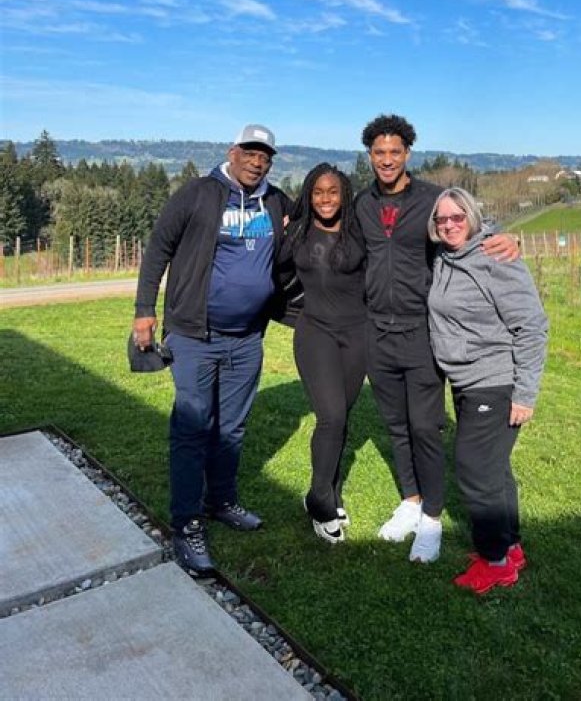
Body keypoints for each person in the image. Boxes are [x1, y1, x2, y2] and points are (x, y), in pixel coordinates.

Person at [354, 114, 518, 564]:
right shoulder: (362, 204)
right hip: (377, 333)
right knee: (396, 425)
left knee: (425, 427)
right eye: (378, 152)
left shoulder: (428, 199)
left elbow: (465, 228)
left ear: (408, 153)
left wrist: (507, 238)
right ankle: (410, 501)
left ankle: (431, 518)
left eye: (395, 152)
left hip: (422, 333)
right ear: (370, 155)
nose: (386, 160)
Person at [132, 124, 293, 574]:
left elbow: (321, 225)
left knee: (232, 430)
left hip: (247, 340)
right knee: (192, 428)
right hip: (193, 336)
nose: (257, 161)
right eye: (251, 152)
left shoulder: (277, 201)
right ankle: (187, 523)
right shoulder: (198, 194)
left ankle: (221, 500)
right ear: (233, 151)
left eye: (265, 156)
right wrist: (145, 310)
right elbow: (158, 249)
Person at [427, 187, 548, 594]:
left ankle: (494, 561)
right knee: (495, 469)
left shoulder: (496, 258)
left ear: (472, 217)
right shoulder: (445, 255)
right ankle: (510, 546)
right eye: (442, 219)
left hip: (494, 382)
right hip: (466, 381)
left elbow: (532, 326)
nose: (449, 225)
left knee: (475, 470)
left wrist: (525, 394)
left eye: (457, 218)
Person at [284, 163, 367, 544]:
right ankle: (319, 501)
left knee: (341, 416)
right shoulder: (296, 231)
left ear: (344, 193)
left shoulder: (360, 231)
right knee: (330, 416)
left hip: (357, 335)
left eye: (333, 191)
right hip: (314, 332)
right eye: (318, 192)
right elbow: (268, 272)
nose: (325, 198)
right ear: (308, 195)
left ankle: (330, 491)